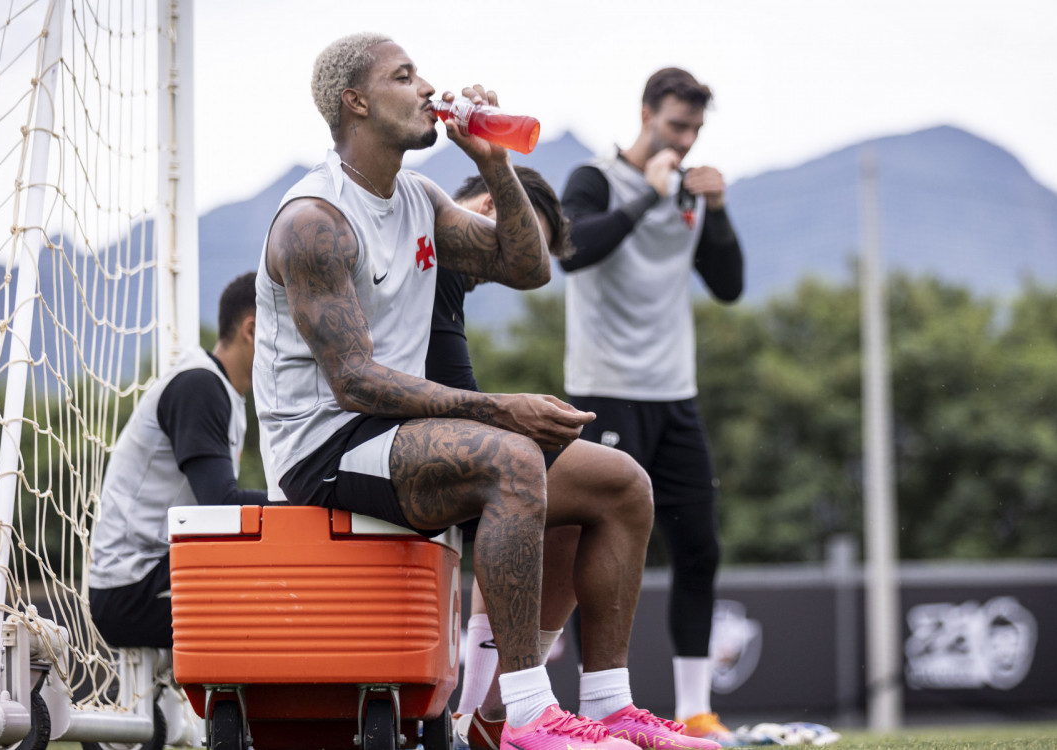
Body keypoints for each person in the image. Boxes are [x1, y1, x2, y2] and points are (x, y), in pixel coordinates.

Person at [253, 33, 717, 750]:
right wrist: (505, 412)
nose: (426, 86)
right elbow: (353, 383)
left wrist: (495, 165)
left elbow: (527, 267)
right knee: (513, 459)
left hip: (390, 434)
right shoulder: (315, 220)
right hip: (327, 451)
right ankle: (523, 716)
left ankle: (609, 706)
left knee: (621, 484)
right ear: (358, 102)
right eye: (404, 76)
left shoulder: (420, 195)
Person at [429, 170, 673, 750]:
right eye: (516, 242)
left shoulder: (444, 263)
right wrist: (510, 414)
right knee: (613, 483)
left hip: (402, 443)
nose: (506, 268)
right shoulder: (429, 244)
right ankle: (543, 708)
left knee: (575, 494)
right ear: (492, 203)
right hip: (378, 454)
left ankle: (489, 714)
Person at [559, 67, 744, 745]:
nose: (686, 139)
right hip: (604, 389)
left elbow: (728, 286)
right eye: (675, 125)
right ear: (645, 115)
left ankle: (697, 710)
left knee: (699, 545)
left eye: (695, 129)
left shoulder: (692, 195)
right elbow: (572, 251)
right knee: (595, 549)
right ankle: (594, 709)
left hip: (676, 395)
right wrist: (647, 198)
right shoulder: (596, 179)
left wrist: (716, 211)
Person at [89, 272, 269, 648]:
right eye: (286, 333)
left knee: (278, 597)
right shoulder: (199, 387)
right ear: (251, 330)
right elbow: (222, 506)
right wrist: (304, 502)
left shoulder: (225, 393)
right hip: (131, 587)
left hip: (156, 571)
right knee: (271, 617)